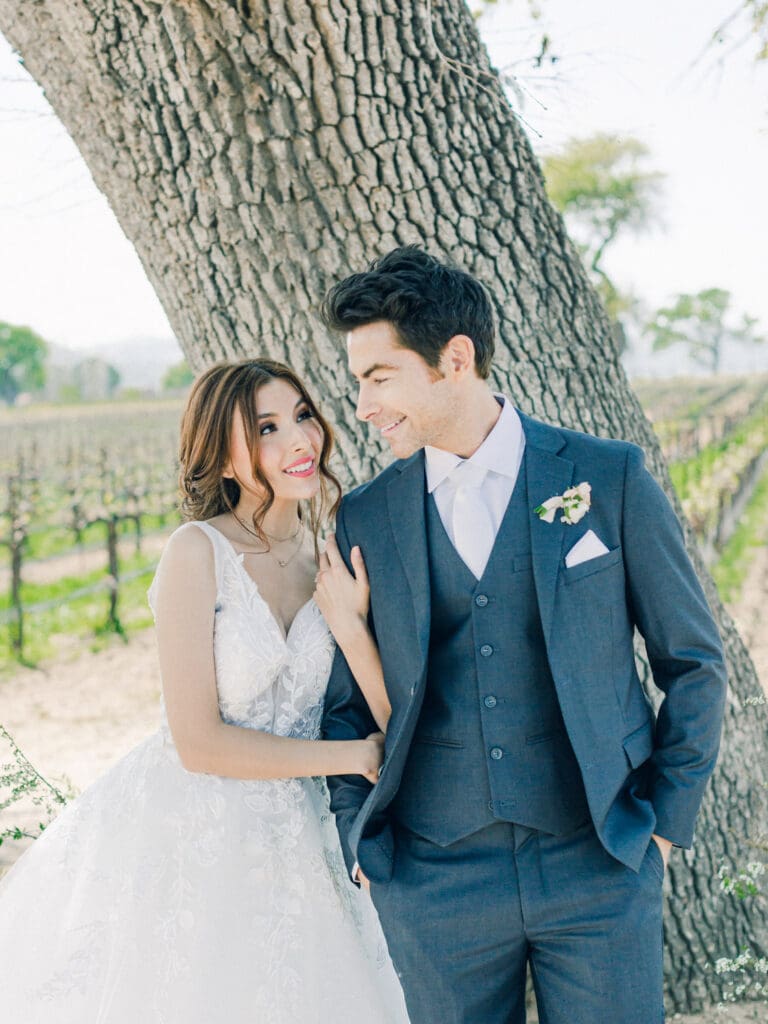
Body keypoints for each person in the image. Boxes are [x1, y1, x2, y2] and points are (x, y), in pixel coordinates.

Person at [318, 246, 728, 1024]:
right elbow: (343, 704)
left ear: (455, 359)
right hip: (433, 881)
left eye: (378, 377)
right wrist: (361, 845)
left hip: (598, 863)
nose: (363, 406)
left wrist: (662, 831)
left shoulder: (607, 478)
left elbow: (695, 663)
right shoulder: (366, 516)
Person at [0, 359, 408, 1023]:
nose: (300, 441)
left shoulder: (331, 554)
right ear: (220, 456)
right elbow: (197, 742)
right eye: (267, 428)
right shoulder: (196, 552)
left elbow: (394, 722)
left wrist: (352, 627)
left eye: (303, 415)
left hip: (310, 836)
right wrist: (355, 757)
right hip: (192, 831)